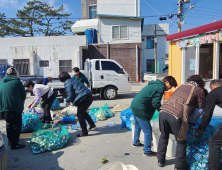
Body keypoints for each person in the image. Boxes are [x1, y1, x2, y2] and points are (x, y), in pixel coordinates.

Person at [157, 75, 205, 170]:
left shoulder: (182, 86)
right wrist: (190, 120)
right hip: (177, 114)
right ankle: (179, 166)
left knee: (163, 136)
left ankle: (160, 160)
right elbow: (199, 111)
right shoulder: (199, 90)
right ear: (200, 84)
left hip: (163, 111)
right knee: (181, 142)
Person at [131, 76, 177, 157]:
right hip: (141, 108)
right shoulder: (161, 86)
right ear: (167, 82)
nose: (169, 89)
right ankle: (147, 151)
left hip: (135, 105)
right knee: (148, 131)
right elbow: (155, 102)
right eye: (170, 86)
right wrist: (161, 110)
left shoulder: (154, 84)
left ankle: (136, 142)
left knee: (138, 126)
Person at [59, 71, 95, 137]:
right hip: (89, 96)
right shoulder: (72, 80)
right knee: (83, 112)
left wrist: (66, 100)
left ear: (62, 78)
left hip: (84, 98)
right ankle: (92, 124)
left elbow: (70, 95)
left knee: (80, 115)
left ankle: (84, 132)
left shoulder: (67, 82)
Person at [195, 80, 222, 170]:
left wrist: (201, 129)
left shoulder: (213, 93)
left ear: (213, 87)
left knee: (214, 142)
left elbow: (207, 115)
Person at [0, 67, 26, 149]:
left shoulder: (2, 82)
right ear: (15, 74)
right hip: (15, 108)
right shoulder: (17, 81)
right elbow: (24, 95)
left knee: (9, 124)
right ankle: (15, 144)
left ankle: (10, 140)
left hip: (3, 108)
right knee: (16, 126)